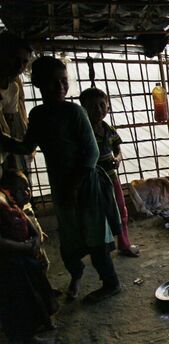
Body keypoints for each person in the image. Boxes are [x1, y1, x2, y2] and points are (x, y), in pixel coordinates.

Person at [0, 56, 122, 304]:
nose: (60, 88)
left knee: (95, 237)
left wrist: (73, 186)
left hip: (85, 185)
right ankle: (76, 275)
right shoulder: (38, 114)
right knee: (69, 238)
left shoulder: (75, 112)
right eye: (52, 83)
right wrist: (4, 139)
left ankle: (111, 283)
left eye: (63, 81)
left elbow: (92, 153)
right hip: (61, 186)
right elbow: (28, 146)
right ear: (38, 84)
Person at [0, 171, 58, 344]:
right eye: (22, 189)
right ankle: (27, 340)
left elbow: (30, 226)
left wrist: (35, 240)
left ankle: (42, 321)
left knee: (36, 287)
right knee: (20, 299)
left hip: (22, 256)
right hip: (10, 261)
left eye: (28, 189)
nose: (27, 193)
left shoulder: (9, 200)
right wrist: (25, 247)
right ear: (10, 189)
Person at [79, 88, 140, 257]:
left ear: (108, 108)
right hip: (93, 182)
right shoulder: (83, 131)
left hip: (112, 179)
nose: (98, 109)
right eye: (92, 106)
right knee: (98, 215)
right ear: (83, 109)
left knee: (121, 211)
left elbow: (117, 150)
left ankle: (124, 244)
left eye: (101, 105)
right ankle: (100, 249)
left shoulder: (109, 130)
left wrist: (118, 159)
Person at [0, 32, 33, 180]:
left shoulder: (13, 87)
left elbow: (9, 124)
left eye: (24, 62)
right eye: (15, 59)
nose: (19, 66)